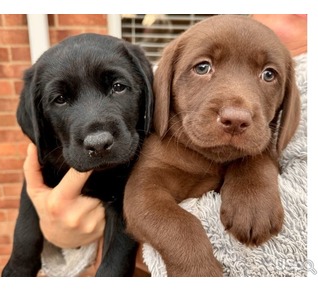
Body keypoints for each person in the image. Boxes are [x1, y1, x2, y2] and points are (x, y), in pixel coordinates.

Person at [22, 14, 307, 275]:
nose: (237, 112)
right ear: (162, 88)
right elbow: (137, 202)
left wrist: (258, 165)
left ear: (288, 102)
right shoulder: (156, 123)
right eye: (202, 67)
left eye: (268, 74)